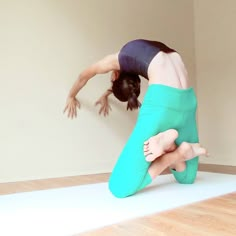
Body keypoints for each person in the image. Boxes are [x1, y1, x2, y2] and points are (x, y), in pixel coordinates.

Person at [64, 39, 207, 198]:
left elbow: (83, 76)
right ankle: (175, 149)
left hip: (161, 104)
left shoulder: (117, 59)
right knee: (187, 178)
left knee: (119, 188)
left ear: (116, 73)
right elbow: (95, 76)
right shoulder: (154, 51)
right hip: (189, 102)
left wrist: (71, 96)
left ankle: (169, 153)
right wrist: (106, 94)